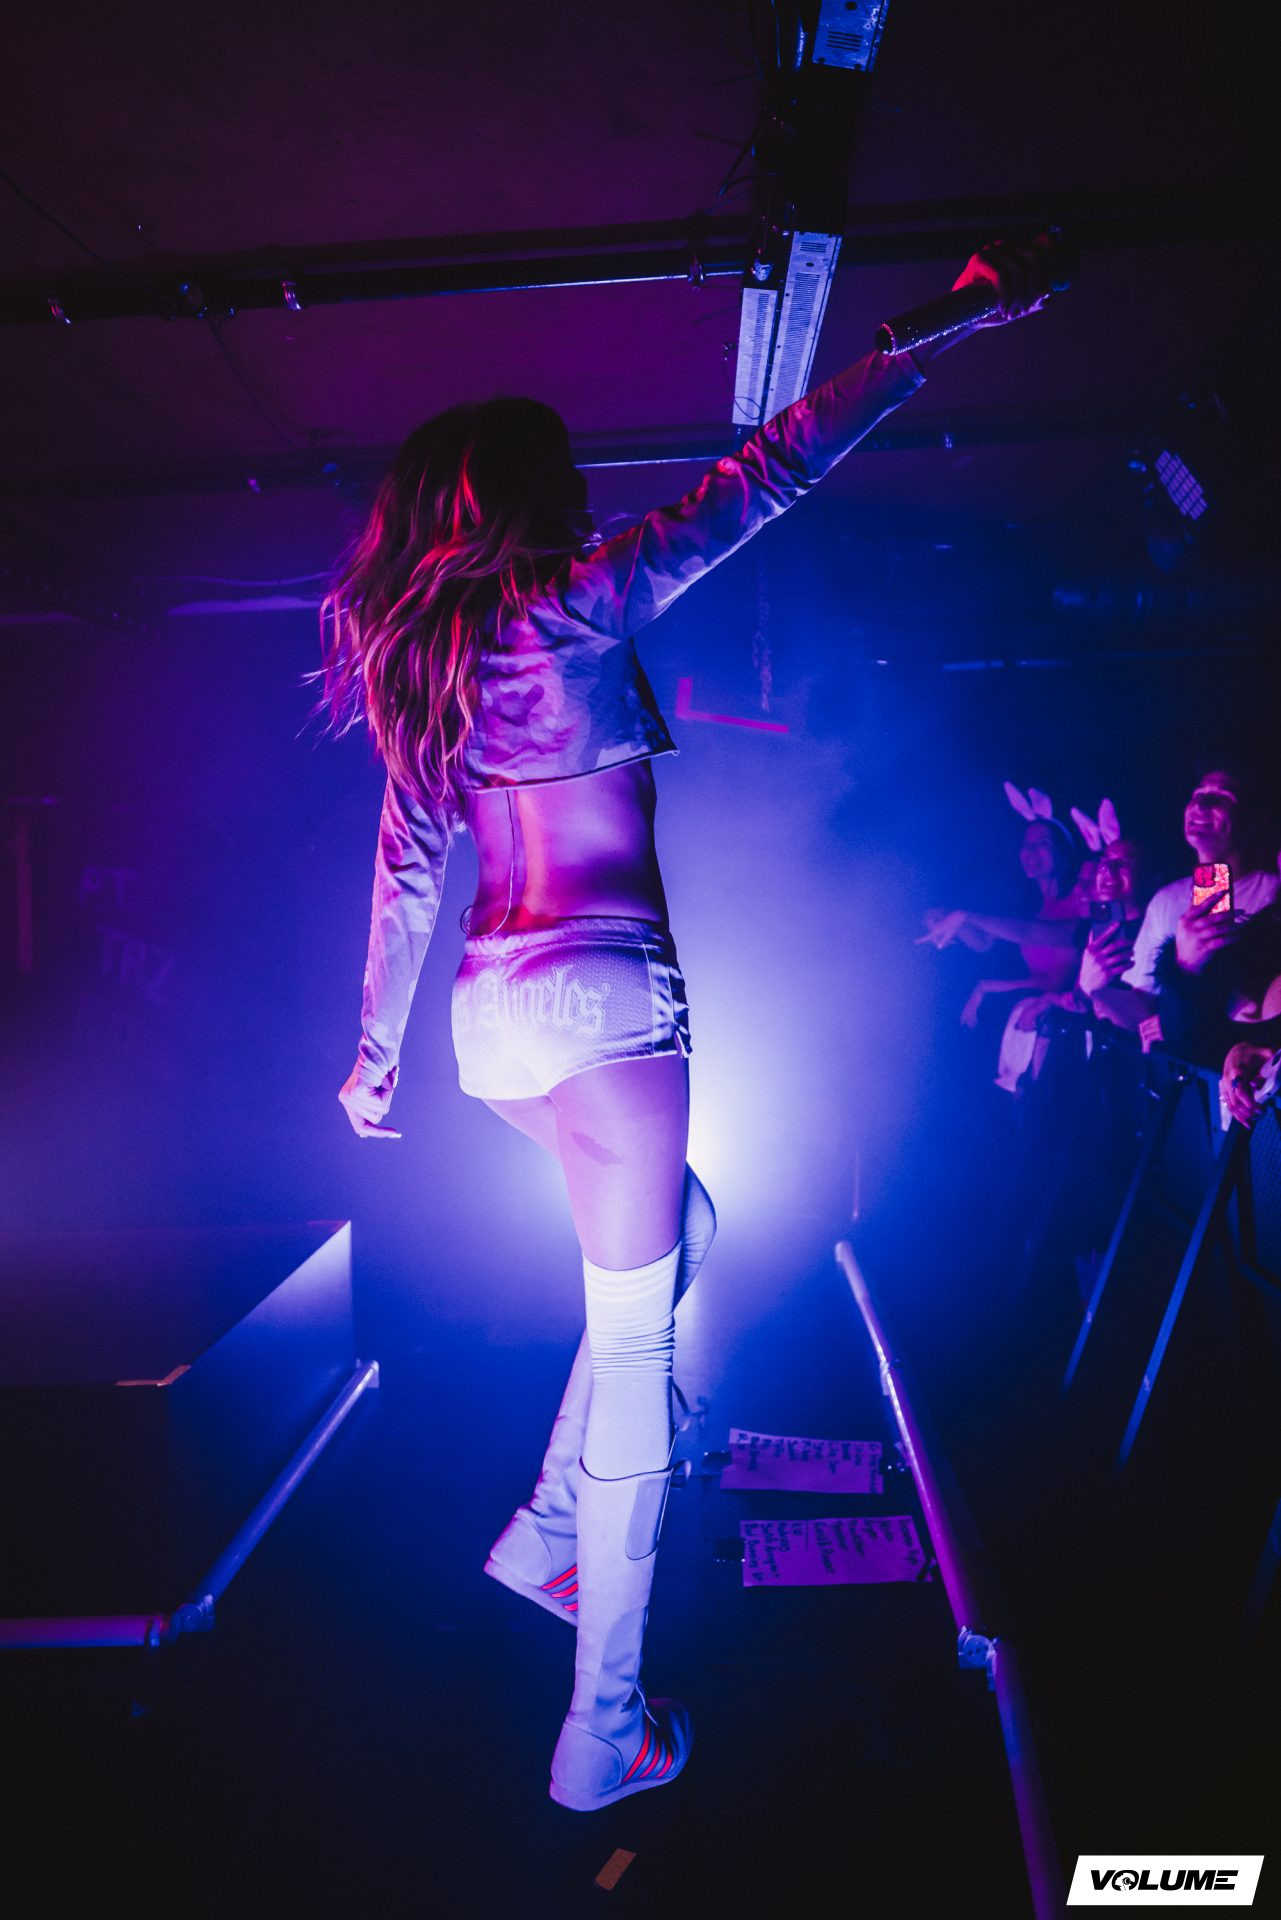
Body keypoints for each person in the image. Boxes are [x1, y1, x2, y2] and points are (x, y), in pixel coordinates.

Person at [320, 240, 1052, 1811]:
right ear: (528, 499)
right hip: (605, 1002)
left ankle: (547, 1534)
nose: (589, 497)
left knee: (683, 1234)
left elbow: (404, 875)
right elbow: (770, 473)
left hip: (491, 1026)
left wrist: (374, 1056)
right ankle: (603, 1727)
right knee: (640, 1343)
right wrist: (946, 320)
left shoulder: (427, 670)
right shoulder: (576, 599)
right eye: (570, 481)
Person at [1089, 766, 1280, 1033]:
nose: (1200, 805)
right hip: (1180, 1054)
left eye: (1222, 797)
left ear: (1252, 822)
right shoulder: (1167, 900)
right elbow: (1144, 1014)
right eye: (1197, 795)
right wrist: (1097, 989)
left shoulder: (1273, 894)